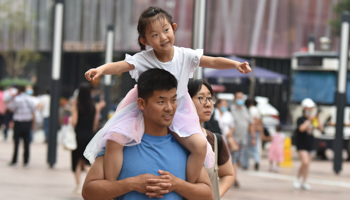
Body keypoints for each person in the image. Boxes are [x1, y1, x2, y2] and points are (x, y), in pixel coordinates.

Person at [84, 6, 251, 185]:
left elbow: (212, 61)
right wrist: (100, 70)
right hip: (144, 109)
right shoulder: (143, 58)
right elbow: (119, 66)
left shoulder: (185, 55)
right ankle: (112, 187)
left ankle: (189, 186)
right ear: (144, 40)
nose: (163, 37)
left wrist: (235, 65)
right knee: (115, 139)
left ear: (174, 27)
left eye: (166, 30)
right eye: (154, 35)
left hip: (179, 111)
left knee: (201, 146)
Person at [82, 69, 213, 200]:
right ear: (142, 103)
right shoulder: (119, 141)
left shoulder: (187, 145)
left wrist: (178, 185)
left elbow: (208, 195)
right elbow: (88, 192)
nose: (169, 108)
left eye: (173, 100)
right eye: (161, 101)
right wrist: (130, 184)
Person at [188, 79, 235, 199]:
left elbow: (228, 174)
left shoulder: (215, 139)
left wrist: (213, 196)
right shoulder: (173, 137)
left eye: (210, 98)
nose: (208, 104)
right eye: (201, 98)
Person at [70, 82, 106, 193]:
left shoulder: (77, 105)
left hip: (78, 137)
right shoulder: (93, 106)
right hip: (89, 136)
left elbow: (74, 122)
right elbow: (95, 124)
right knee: (84, 161)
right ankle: (84, 182)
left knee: (77, 162)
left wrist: (72, 112)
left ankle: (78, 185)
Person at [293, 98, 323, 190]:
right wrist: (309, 120)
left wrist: (317, 119)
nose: (310, 110)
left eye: (311, 108)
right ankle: (298, 179)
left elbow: (320, 129)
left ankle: (304, 181)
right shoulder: (300, 119)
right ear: (304, 108)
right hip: (302, 144)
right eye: (309, 108)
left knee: (307, 164)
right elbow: (301, 129)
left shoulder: (313, 119)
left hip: (310, 143)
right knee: (305, 162)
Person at [230, 92, 255, 187]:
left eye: (241, 98)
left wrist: (253, 138)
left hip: (243, 140)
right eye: (238, 98)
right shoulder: (231, 110)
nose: (240, 100)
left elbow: (251, 124)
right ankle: (233, 178)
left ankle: (233, 177)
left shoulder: (246, 110)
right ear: (234, 99)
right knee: (233, 159)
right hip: (233, 139)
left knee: (239, 160)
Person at [7, 85, 35, 166]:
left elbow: (11, 109)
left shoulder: (17, 99)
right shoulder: (30, 99)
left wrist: (12, 98)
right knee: (26, 142)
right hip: (27, 122)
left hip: (18, 123)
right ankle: (26, 161)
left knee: (16, 142)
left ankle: (14, 160)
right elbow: (33, 110)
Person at [244, 99, 263, 171]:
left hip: (251, 131)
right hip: (257, 131)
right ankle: (257, 161)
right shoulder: (258, 110)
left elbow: (252, 123)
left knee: (247, 149)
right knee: (255, 148)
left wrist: (252, 136)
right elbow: (260, 122)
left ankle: (246, 164)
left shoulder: (250, 111)